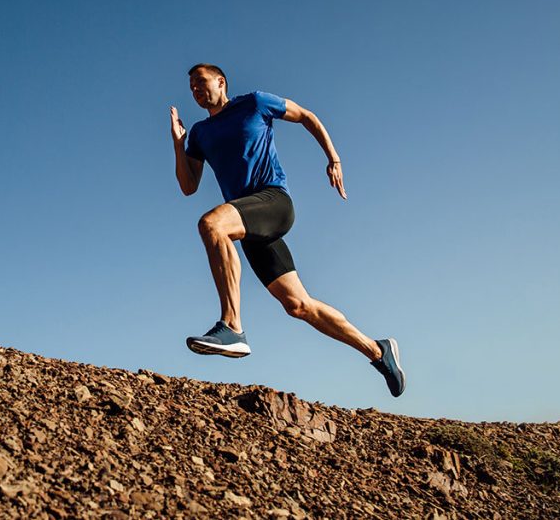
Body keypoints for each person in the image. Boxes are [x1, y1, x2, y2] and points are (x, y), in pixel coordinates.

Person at [170, 63, 406, 397]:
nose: (195, 90)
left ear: (221, 82)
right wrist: (179, 144)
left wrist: (333, 158)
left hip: (272, 202)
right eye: (191, 86)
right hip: (246, 220)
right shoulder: (200, 134)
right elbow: (188, 186)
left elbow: (307, 116)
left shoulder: (254, 103)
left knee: (212, 224)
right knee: (298, 305)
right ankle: (378, 352)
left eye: (201, 82)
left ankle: (232, 326)